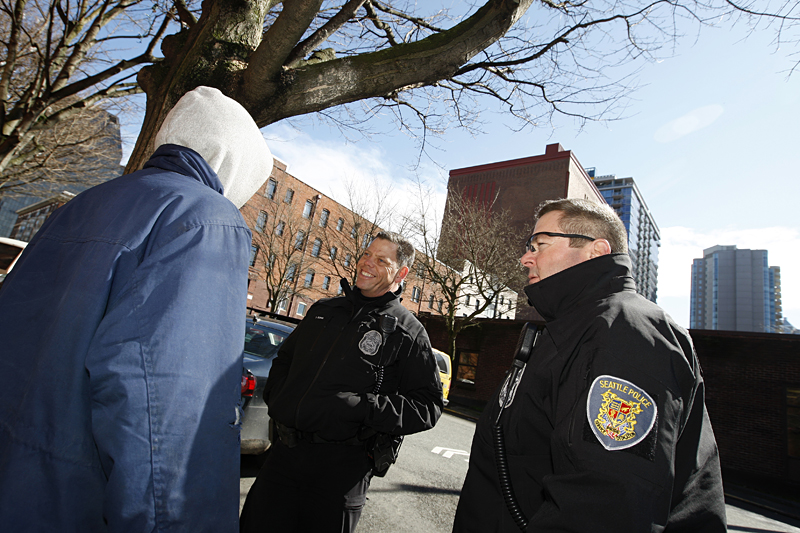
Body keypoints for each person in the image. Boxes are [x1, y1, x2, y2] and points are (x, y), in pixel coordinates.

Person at [0, 86, 273, 531]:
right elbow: (165, 410)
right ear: (236, 164)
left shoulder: (86, 202)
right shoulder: (205, 220)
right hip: (77, 500)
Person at [452, 198, 726, 532]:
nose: (525, 258)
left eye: (539, 245)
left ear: (596, 251)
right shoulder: (575, 330)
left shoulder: (625, 332)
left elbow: (606, 506)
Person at [239, 231, 444, 533]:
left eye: (381, 260)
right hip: (284, 456)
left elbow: (427, 406)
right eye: (366, 254)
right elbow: (284, 361)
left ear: (401, 273)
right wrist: (281, 399)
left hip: (341, 472)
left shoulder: (408, 332)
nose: (367, 263)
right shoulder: (324, 310)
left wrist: (360, 408)